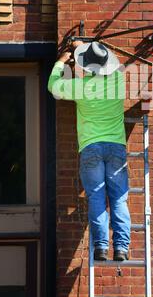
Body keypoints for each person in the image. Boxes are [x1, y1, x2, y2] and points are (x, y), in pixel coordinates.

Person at [48, 40, 131, 261]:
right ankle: (121, 248)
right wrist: (87, 47)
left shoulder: (80, 87)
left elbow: (53, 86)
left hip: (91, 147)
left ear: (87, 67)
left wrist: (62, 61)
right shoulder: (119, 81)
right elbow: (112, 58)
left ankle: (101, 247)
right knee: (119, 199)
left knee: (96, 197)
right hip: (116, 148)